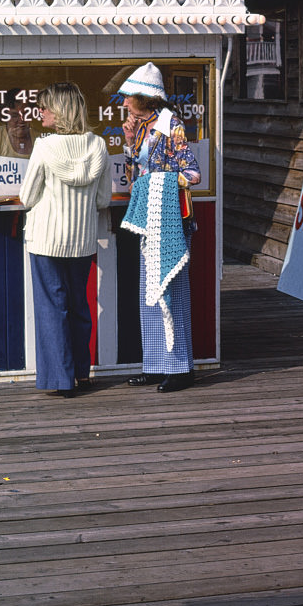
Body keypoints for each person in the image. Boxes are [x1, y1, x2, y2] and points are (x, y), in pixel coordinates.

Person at [19, 82, 112, 398]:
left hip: (46, 240)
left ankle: (61, 379)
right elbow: (102, 199)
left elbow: (27, 196)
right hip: (82, 240)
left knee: (51, 307)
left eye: (44, 107)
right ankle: (82, 374)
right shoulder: (98, 146)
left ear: (59, 111)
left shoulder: (44, 147)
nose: (40, 112)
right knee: (78, 305)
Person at [119, 62, 201, 393]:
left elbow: (193, 173)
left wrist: (158, 182)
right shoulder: (139, 128)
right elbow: (131, 180)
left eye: (128, 98)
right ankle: (155, 365)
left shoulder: (171, 126)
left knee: (173, 294)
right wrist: (127, 143)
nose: (124, 103)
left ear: (147, 99)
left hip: (171, 221)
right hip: (149, 220)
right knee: (149, 294)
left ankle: (181, 368)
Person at [0, 88, 39, 158]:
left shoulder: (40, 139)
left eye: (26, 114)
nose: (21, 120)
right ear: (4, 115)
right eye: (14, 115)